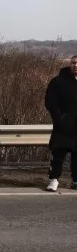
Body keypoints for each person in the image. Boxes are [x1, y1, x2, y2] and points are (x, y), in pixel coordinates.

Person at [44, 55, 77, 191]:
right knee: (58, 154)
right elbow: (50, 102)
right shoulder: (58, 81)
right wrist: (59, 119)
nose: (76, 66)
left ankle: (76, 180)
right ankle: (54, 179)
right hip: (63, 126)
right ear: (70, 64)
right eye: (74, 63)